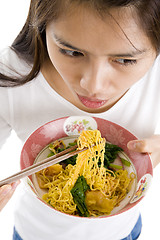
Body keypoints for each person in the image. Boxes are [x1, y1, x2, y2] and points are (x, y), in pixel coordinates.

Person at [0, 0, 160, 239]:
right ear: (41, 26)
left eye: (126, 60)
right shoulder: (10, 75)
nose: (93, 86)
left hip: (124, 232)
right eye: (72, 52)